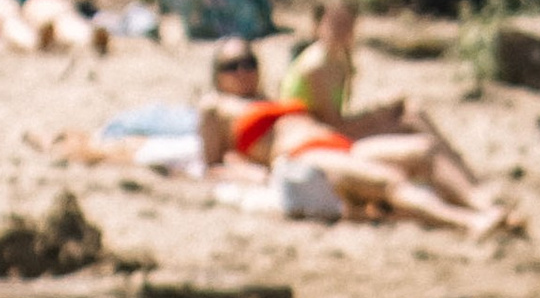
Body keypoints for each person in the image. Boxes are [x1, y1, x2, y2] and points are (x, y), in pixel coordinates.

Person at [199, 40, 520, 234]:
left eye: (249, 62)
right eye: (232, 66)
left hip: (338, 146)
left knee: (424, 150)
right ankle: (468, 222)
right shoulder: (217, 106)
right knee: (386, 179)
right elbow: (212, 165)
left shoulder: (271, 98)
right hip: (301, 155)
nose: (243, 72)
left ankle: (484, 204)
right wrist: (255, 174)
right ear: (217, 75)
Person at [283, 0, 411, 136]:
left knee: (411, 114)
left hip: (326, 131)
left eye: (347, 23)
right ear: (318, 26)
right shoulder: (316, 66)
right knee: (408, 125)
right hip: (310, 137)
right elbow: (333, 128)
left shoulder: (339, 59)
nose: (342, 30)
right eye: (336, 23)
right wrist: (378, 115)